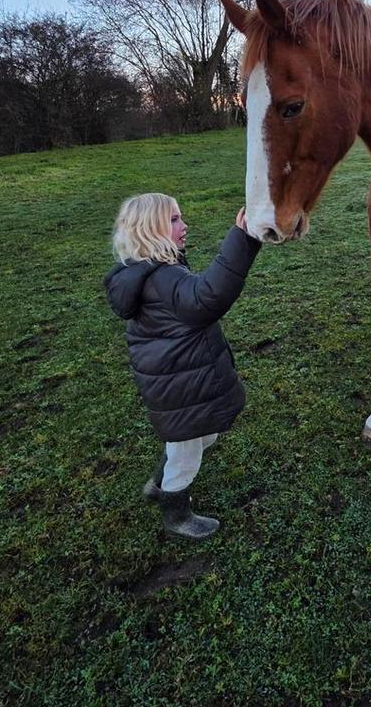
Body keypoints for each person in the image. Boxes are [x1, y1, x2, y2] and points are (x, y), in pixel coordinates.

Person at [104, 193, 261, 541]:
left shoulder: (150, 271)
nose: (184, 225)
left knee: (200, 437)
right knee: (187, 450)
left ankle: (157, 484)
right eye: (174, 219)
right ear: (150, 229)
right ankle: (175, 513)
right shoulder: (163, 279)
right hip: (181, 388)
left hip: (175, 382)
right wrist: (242, 237)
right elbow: (208, 296)